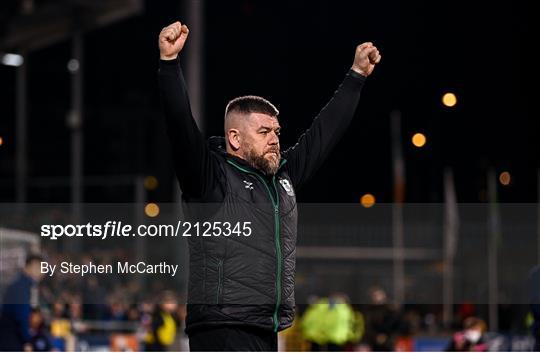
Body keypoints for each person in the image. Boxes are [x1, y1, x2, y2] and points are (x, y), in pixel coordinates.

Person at [157, 20, 381, 351]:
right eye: (264, 132)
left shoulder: (282, 179)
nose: (274, 139)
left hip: (265, 326)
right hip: (222, 328)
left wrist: (356, 76)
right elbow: (180, 127)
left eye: (276, 132)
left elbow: (324, 134)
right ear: (234, 138)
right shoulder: (209, 177)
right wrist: (169, 65)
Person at [0, 254, 45, 351]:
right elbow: (22, 316)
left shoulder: (24, 286)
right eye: (39, 268)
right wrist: (27, 340)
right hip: (11, 341)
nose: (41, 272)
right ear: (29, 267)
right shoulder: (20, 288)